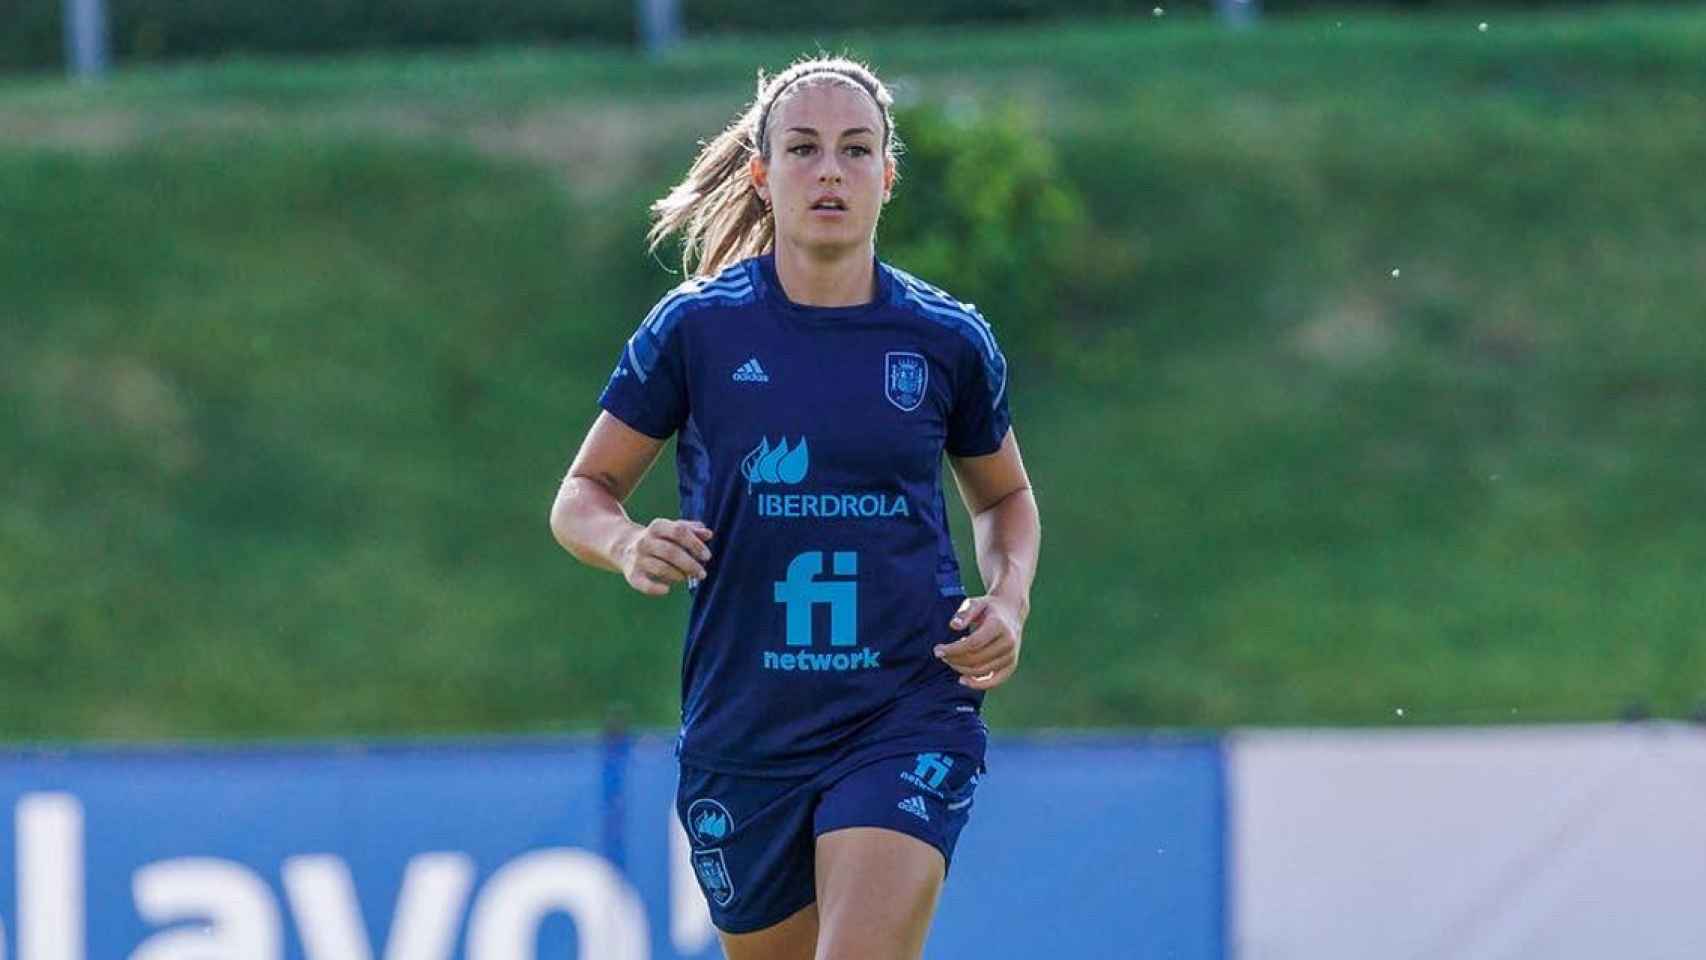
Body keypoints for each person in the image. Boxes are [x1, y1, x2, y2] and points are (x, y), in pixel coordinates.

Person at [549, 55, 1040, 960]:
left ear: (887, 178)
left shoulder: (945, 341)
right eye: (804, 149)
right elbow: (581, 496)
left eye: (856, 152)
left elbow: (1004, 495)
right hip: (747, 731)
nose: (829, 171)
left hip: (904, 708)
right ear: (761, 173)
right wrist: (625, 544)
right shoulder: (695, 329)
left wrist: (1006, 599)